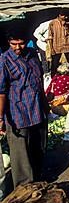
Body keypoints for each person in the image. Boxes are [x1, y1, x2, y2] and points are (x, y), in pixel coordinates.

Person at [0, 30, 48, 188]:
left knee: (38, 146)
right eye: (14, 44)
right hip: (17, 112)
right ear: (9, 42)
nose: (17, 47)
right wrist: (0, 118)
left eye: (21, 43)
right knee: (20, 153)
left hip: (37, 108)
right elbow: (1, 92)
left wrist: (45, 104)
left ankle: (39, 179)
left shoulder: (32, 54)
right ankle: (24, 187)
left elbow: (39, 79)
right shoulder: (4, 60)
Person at [47, 9, 69, 75]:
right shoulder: (52, 23)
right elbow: (50, 37)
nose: (65, 17)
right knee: (55, 64)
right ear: (59, 15)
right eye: (63, 16)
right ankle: (53, 79)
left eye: (66, 16)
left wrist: (66, 27)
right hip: (57, 46)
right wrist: (51, 49)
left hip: (67, 46)